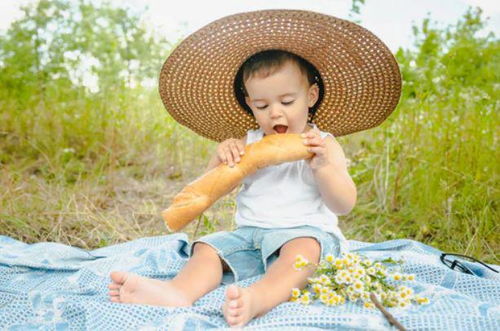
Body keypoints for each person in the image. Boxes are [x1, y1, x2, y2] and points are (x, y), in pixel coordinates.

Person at [108, 9, 401, 328]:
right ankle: (178, 291)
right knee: (207, 247)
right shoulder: (247, 143)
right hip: (250, 234)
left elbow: (344, 204)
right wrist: (221, 157)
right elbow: (213, 186)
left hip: (304, 233)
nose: (275, 113)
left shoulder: (323, 144)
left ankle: (258, 298)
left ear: (311, 96)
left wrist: (324, 169)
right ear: (250, 104)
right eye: (262, 106)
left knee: (300, 255)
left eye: (287, 102)